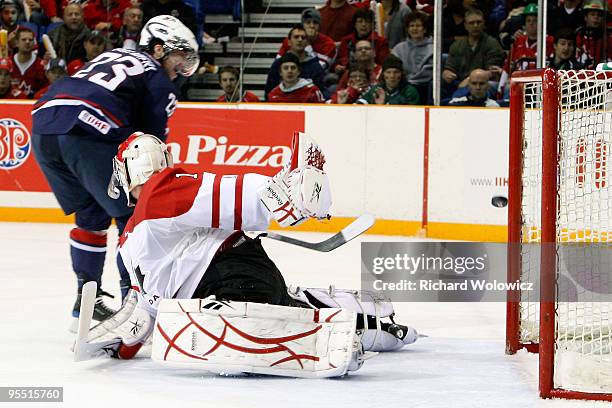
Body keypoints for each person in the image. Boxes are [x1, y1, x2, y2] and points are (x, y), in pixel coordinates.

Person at [84, 131, 417, 365]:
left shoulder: (156, 197)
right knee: (285, 305)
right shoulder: (134, 234)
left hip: (229, 280)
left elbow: (221, 194)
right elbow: (145, 307)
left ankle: (322, 339)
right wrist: (120, 344)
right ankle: (372, 325)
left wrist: (278, 194)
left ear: (129, 169)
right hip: (244, 272)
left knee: (196, 336)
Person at [30, 15, 199, 326]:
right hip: (88, 131)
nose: (183, 66)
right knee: (132, 215)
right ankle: (132, 302)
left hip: (43, 125)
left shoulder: (113, 55)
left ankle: (87, 299)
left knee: (91, 217)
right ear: (158, 49)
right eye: (181, 55)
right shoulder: (157, 77)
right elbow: (148, 145)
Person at [442, 8, 504, 95]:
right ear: (465, 25)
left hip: (483, 83)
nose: (475, 25)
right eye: (471, 23)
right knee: (435, 84)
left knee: (469, 90)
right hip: (459, 81)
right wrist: (447, 72)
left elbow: (493, 72)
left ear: (484, 24)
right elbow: (450, 67)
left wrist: (470, 80)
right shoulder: (457, 45)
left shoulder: (492, 44)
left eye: (479, 22)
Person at [265, 25, 328, 100]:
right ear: (289, 42)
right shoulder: (278, 64)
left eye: (303, 37)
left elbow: (322, 93)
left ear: (307, 42)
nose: (300, 40)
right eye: (296, 37)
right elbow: (269, 91)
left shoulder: (315, 66)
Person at [391, 11, 433, 104]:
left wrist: (409, 81)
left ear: (425, 29)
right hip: (400, 85)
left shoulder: (433, 48)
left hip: (422, 88)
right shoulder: (398, 48)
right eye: (411, 26)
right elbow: (392, 67)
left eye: (418, 26)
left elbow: (427, 74)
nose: (414, 29)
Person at [334, 8, 390, 76]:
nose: (363, 25)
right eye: (360, 21)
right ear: (354, 24)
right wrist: (337, 67)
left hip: (374, 74)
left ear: (372, 25)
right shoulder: (346, 40)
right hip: (349, 74)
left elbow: (385, 63)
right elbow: (339, 60)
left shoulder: (381, 41)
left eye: (367, 22)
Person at [9, 27, 47, 98]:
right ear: (16, 43)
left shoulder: (41, 65)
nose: (27, 42)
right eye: (24, 40)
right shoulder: (8, 63)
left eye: (30, 40)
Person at [576, 0, 612, 69]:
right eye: (592, 14)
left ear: (604, 18)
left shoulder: (610, 37)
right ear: (585, 17)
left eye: (600, 15)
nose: (596, 17)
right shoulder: (578, 35)